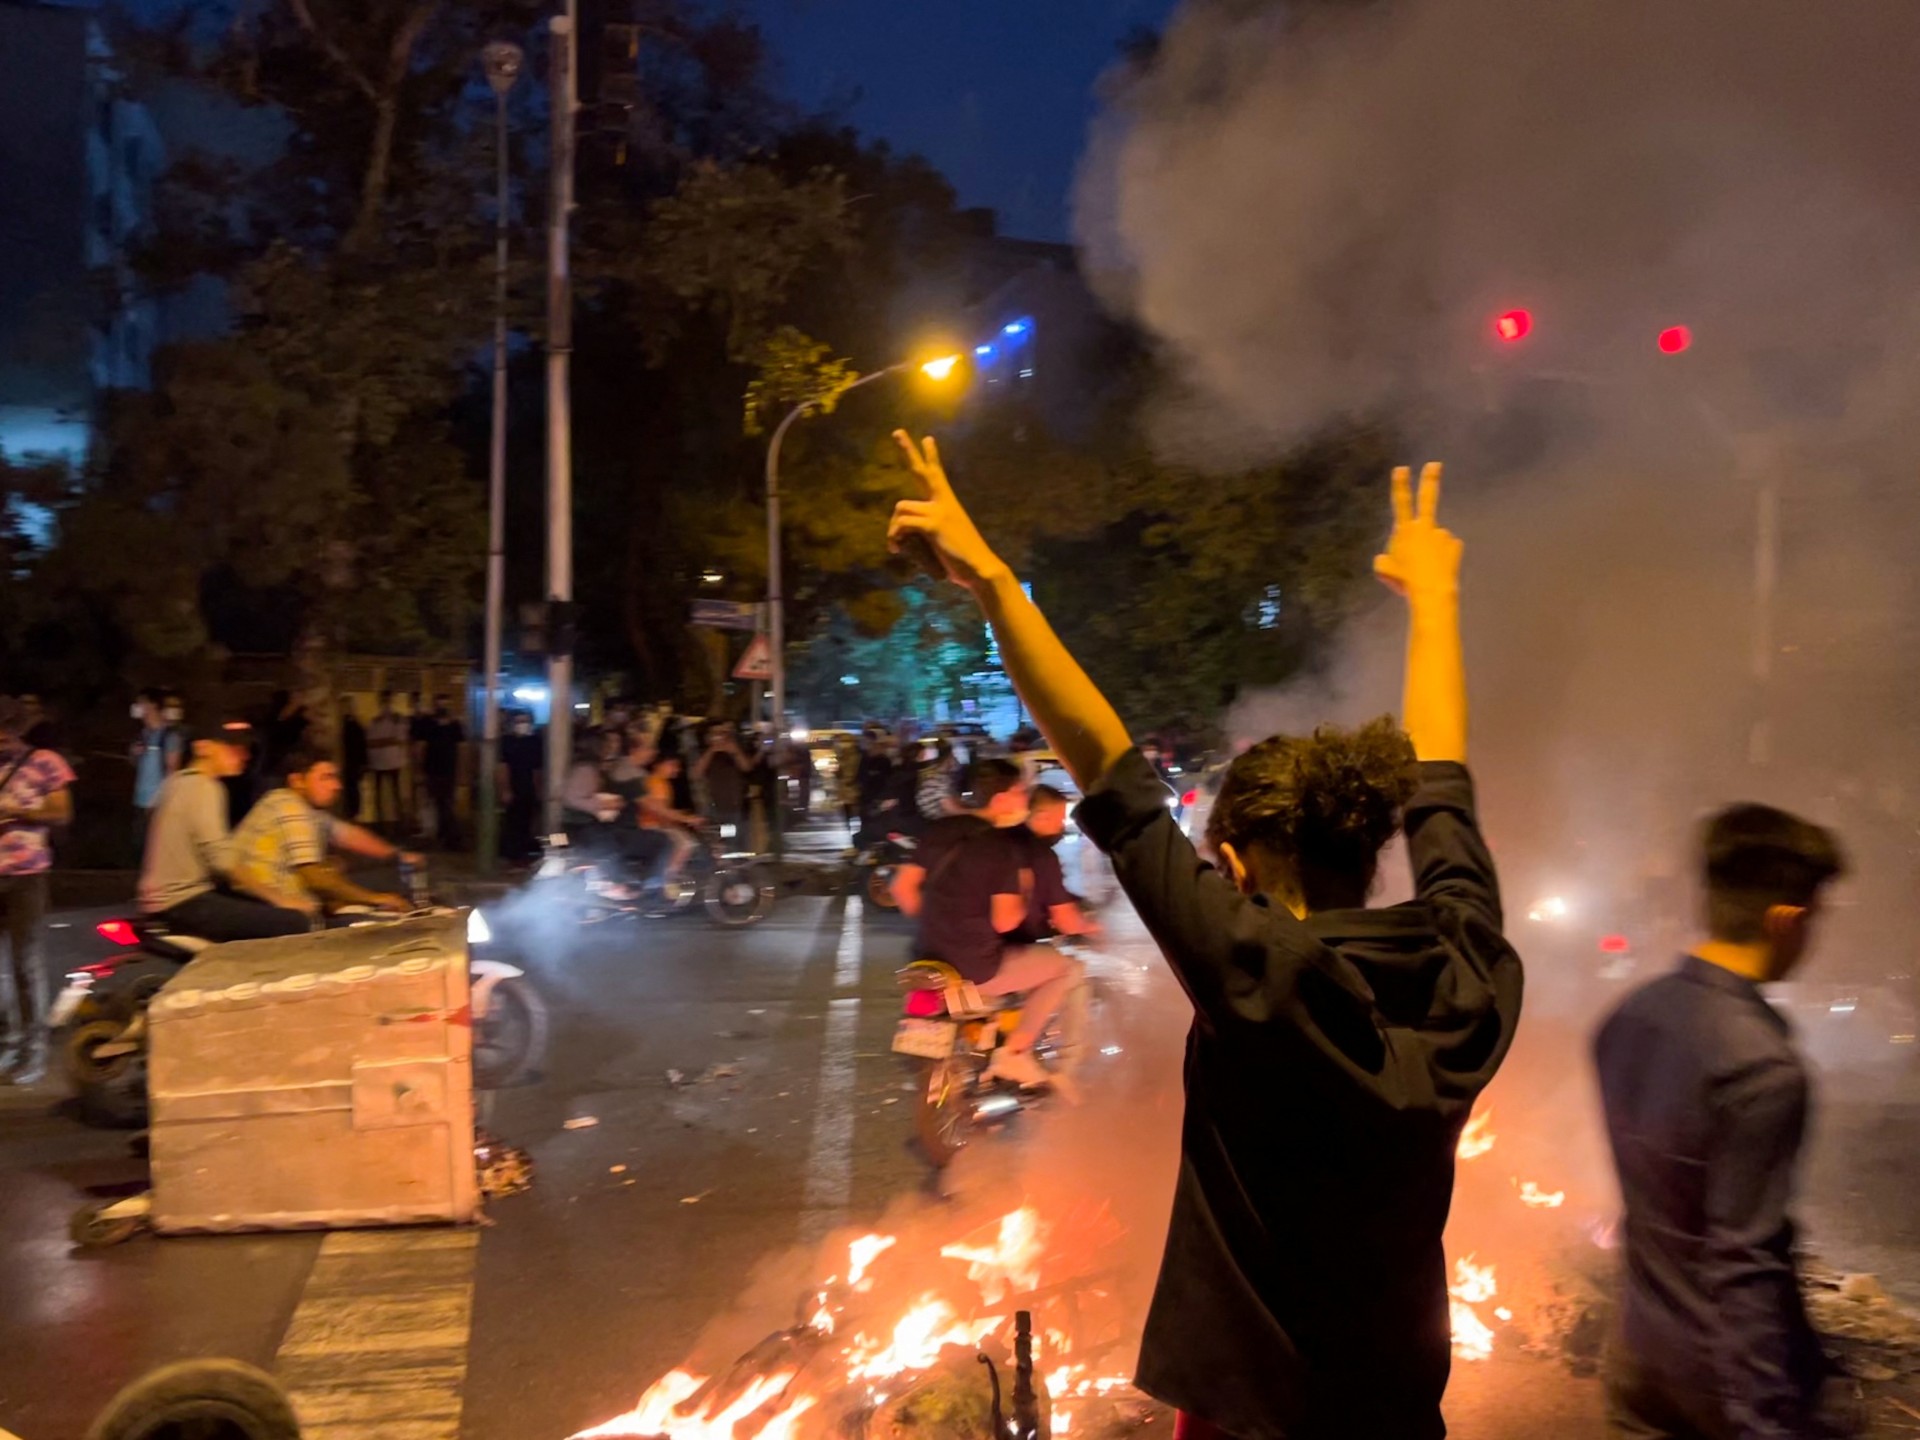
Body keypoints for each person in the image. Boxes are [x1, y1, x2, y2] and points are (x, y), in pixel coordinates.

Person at [887, 434, 1522, 1438]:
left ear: (1233, 869)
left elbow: (1105, 767)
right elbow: (1446, 782)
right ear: (1374, 844)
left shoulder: (1254, 975)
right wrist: (1437, 601)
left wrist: (996, 582)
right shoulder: (1468, 969)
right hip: (1400, 1410)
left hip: (1251, 1420)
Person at [1594, 806, 1855, 1440]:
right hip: (1717, 1389)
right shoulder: (1762, 1068)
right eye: (1815, 918)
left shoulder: (1630, 1019)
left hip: (1635, 1359)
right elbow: (1745, 1266)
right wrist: (1765, 1419)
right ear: (1785, 919)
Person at [892, 758, 1082, 1088]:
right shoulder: (1001, 846)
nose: (1025, 798)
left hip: (926, 955)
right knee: (1064, 968)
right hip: (976, 964)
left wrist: (939, 920)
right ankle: (1017, 1053)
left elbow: (902, 889)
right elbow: (1007, 921)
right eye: (1020, 791)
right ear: (1001, 799)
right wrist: (1023, 890)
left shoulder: (940, 830)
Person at [139, 720, 311, 942]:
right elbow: (222, 860)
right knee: (295, 921)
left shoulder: (173, 782)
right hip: (184, 902)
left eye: (245, 749)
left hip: (161, 901)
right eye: (232, 748)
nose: (243, 755)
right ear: (203, 747)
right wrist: (279, 898)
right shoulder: (205, 787)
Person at [230, 746, 421, 918]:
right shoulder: (289, 807)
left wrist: (397, 854)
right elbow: (316, 880)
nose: (337, 786)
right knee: (378, 901)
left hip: (283, 901)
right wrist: (376, 899)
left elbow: (347, 834)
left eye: (335, 777)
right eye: (326, 777)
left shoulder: (302, 807)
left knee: (343, 870)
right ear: (297, 781)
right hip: (268, 908)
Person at [0, 697, 76, 1085]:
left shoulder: (45, 761)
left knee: (25, 963)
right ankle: (9, 1044)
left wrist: (19, 811)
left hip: (27, 873)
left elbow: (62, 812)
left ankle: (35, 1050)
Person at [1007, 785, 1100, 946]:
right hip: (1014, 944)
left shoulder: (1001, 840)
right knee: (1073, 966)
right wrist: (1095, 929)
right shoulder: (1042, 855)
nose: (1062, 827)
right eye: (1060, 819)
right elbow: (1066, 922)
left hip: (984, 938)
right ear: (1043, 816)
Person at [130, 689, 184, 842]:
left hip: (158, 803)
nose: (138, 709)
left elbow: (172, 770)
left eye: (141, 704)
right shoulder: (143, 735)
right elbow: (137, 764)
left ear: (152, 706)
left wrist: (160, 801)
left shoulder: (169, 736)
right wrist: (135, 754)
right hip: (140, 800)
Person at [638, 754, 703, 880]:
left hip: (654, 824)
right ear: (658, 765)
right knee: (687, 843)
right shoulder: (657, 783)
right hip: (651, 825)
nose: (676, 769)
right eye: (672, 765)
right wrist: (687, 819)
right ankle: (667, 878)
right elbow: (661, 812)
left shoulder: (660, 783)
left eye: (677, 766)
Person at [418, 695, 467, 850]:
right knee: (440, 803)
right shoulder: (428, 723)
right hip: (433, 769)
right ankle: (447, 836)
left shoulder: (454, 725)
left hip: (448, 769)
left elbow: (461, 748)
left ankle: (450, 836)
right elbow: (421, 746)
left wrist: (462, 771)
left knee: (446, 803)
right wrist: (420, 769)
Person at [500, 710, 543, 863]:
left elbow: (537, 768)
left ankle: (521, 853)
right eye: (519, 721)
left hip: (529, 786)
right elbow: (503, 766)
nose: (522, 725)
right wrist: (505, 789)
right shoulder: (507, 741)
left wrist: (538, 789)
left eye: (525, 721)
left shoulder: (535, 742)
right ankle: (510, 853)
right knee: (512, 821)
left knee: (526, 820)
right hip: (513, 785)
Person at [694, 722, 751, 833]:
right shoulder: (704, 751)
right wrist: (711, 750)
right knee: (721, 841)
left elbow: (746, 767)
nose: (720, 736)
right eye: (716, 733)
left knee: (734, 840)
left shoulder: (736, 748)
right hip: (713, 807)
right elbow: (696, 773)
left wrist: (735, 751)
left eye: (724, 733)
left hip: (735, 806)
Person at [366, 691, 409, 830]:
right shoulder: (375, 721)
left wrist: (384, 741)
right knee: (378, 795)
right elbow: (371, 742)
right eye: (384, 701)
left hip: (393, 762)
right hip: (378, 762)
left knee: (396, 793)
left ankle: (399, 822)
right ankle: (380, 823)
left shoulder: (398, 720)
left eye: (388, 701)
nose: (386, 704)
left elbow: (400, 740)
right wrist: (389, 740)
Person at [339, 697, 369, 822]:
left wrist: (363, 763)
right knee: (349, 787)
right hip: (348, 761)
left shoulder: (353, 725)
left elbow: (361, 745)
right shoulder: (349, 725)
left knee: (352, 787)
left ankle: (353, 813)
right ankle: (351, 813)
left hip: (351, 762)